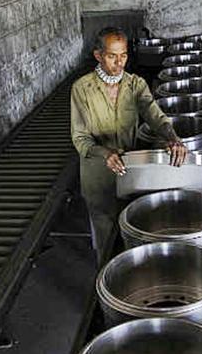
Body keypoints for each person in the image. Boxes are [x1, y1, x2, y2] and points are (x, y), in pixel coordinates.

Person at [70, 27, 188, 265]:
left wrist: (172, 137)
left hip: (131, 168)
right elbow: (80, 138)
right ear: (98, 55)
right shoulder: (82, 89)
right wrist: (105, 153)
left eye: (123, 55)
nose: (119, 62)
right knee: (104, 231)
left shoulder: (135, 85)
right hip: (98, 174)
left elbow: (155, 116)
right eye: (112, 56)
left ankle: (132, 269)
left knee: (133, 225)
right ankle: (106, 271)